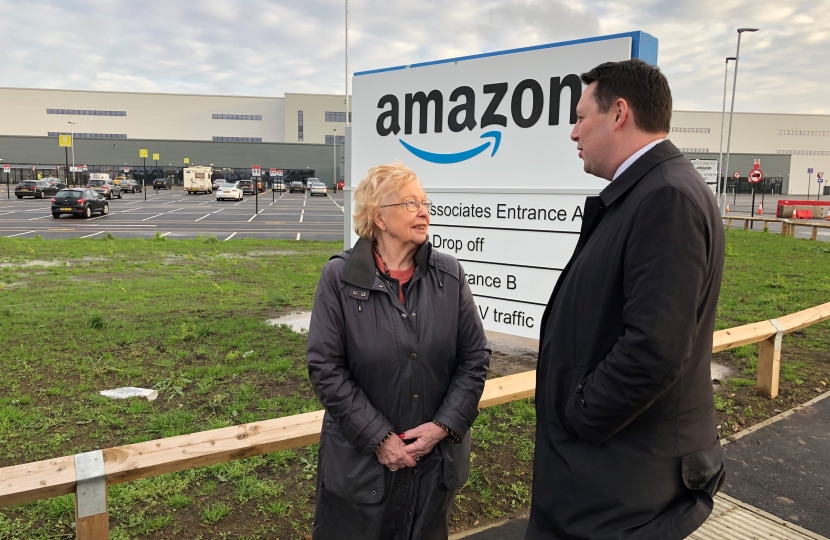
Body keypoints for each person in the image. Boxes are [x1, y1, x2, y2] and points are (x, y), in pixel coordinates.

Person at [526, 59, 726, 539]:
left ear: (619, 114)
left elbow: (655, 349)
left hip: (622, 484)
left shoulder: (666, 198)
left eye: (580, 117)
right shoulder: (647, 191)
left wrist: (579, 414)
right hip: (615, 474)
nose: (573, 133)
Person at [307, 162, 490, 540]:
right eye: (410, 203)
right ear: (379, 217)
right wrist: (379, 437)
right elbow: (326, 368)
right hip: (362, 471)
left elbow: (474, 358)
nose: (424, 211)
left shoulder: (449, 274)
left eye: (424, 202)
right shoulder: (339, 279)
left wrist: (443, 427)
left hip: (434, 465)